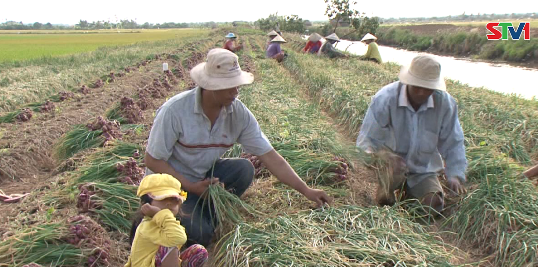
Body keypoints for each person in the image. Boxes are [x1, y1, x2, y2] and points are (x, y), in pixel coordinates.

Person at [145, 48, 332, 246]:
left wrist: (306, 190)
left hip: (201, 177)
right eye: (229, 86)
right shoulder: (174, 111)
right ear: (211, 85)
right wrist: (190, 187)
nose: (236, 92)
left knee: (244, 169)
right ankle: (182, 213)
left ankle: (198, 209)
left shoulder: (237, 112)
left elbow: (270, 156)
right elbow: (152, 160)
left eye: (237, 86)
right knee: (199, 235)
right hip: (168, 186)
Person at [356, 55, 467, 214]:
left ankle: (408, 206)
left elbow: (453, 141)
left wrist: (455, 174)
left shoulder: (444, 104)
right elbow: (368, 138)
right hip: (391, 165)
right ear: (408, 82)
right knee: (391, 184)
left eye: (427, 88)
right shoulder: (386, 98)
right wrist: (373, 158)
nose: (421, 92)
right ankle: (386, 193)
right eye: (417, 86)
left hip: (422, 168)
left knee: (432, 205)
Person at [126, 174, 208, 267]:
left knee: (199, 251)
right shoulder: (147, 225)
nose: (169, 203)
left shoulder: (166, 223)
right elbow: (178, 238)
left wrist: (162, 215)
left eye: (174, 199)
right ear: (146, 203)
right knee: (169, 244)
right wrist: (160, 214)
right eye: (163, 199)